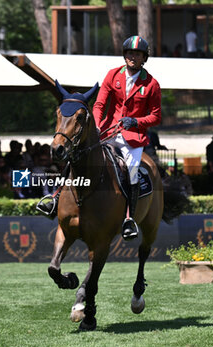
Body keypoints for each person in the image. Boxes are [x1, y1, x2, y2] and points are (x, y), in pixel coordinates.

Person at [93, 35, 162, 240]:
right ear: (125, 55)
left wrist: (137, 122)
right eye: (130, 53)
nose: (133, 57)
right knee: (82, 154)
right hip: (108, 131)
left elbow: (156, 116)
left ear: (144, 58)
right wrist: (97, 126)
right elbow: (99, 105)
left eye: (137, 54)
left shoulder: (151, 84)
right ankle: (56, 197)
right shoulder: (112, 75)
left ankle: (129, 219)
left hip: (133, 137)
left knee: (132, 172)